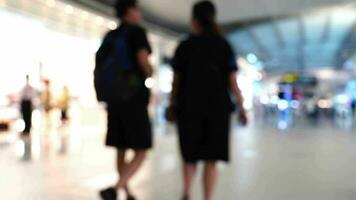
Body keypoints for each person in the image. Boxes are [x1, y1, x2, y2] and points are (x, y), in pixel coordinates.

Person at [167, 1, 248, 200]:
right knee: (211, 159)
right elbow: (232, 81)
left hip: (188, 107)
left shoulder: (185, 46)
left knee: (189, 155)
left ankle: (186, 192)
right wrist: (241, 106)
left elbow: (176, 81)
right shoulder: (223, 45)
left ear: (194, 20)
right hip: (217, 109)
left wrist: (172, 104)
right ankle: (207, 198)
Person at [95, 0, 154, 199]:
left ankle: (126, 191)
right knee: (142, 149)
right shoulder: (137, 32)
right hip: (133, 98)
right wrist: (149, 72)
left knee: (121, 146)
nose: (139, 13)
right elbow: (143, 60)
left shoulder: (110, 36)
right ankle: (117, 187)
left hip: (114, 99)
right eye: (137, 9)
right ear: (129, 11)